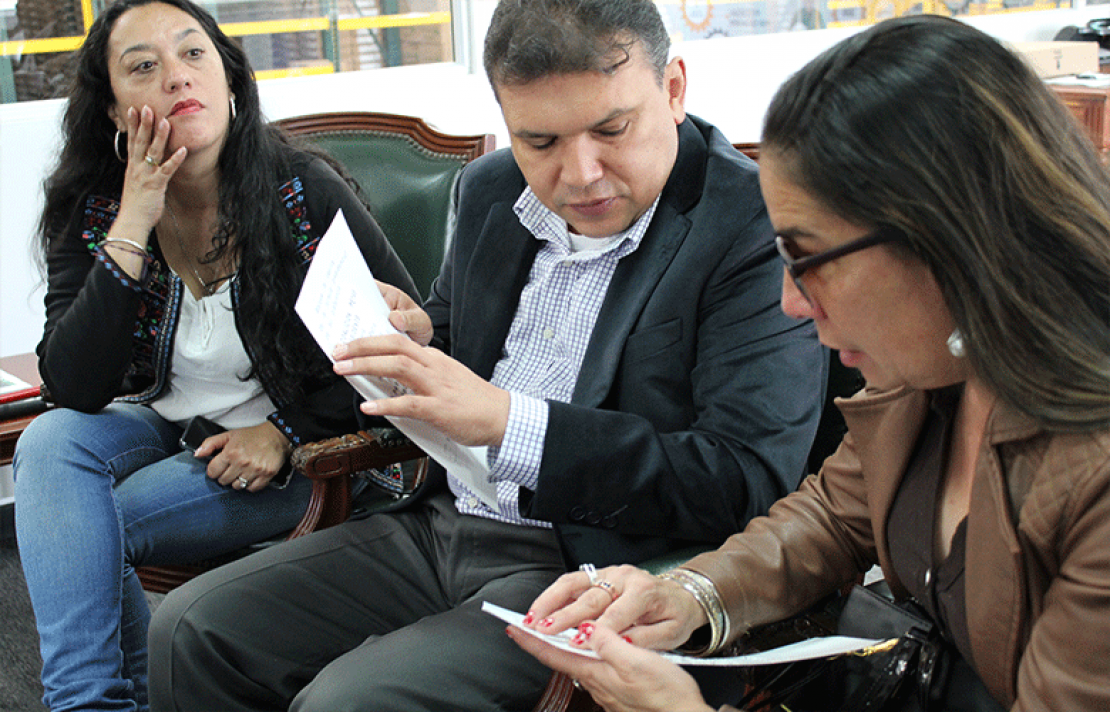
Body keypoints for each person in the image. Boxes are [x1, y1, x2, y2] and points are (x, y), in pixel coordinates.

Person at [147, 1, 826, 710]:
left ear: (675, 88)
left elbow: (745, 477)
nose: (581, 173)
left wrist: (509, 423)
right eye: (540, 141)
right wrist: (415, 340)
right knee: (189, 629)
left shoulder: (750, 224)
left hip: (593, 564)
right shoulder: (491, 190)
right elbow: (456, 340)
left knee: (347, 703)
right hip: (442, 521)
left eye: (611, 129)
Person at [508, 14, 1110, 712]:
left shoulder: (1090, 470)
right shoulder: (940, 369)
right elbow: (835, 515)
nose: (790, 302)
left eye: (808, 259)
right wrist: (687, 594)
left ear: (948, 239)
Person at [12, 1, 417, 710]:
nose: (175, 76)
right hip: (165, 429)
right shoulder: (99, 209)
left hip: (301, 451)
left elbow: (404, 354)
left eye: (193, 54)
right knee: (49, 441)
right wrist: (136, 216)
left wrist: (283, 431)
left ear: (229, 77)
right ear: (113, 111)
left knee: (89, 529)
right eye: (144, 66)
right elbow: (73, 384)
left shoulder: (302, 194)